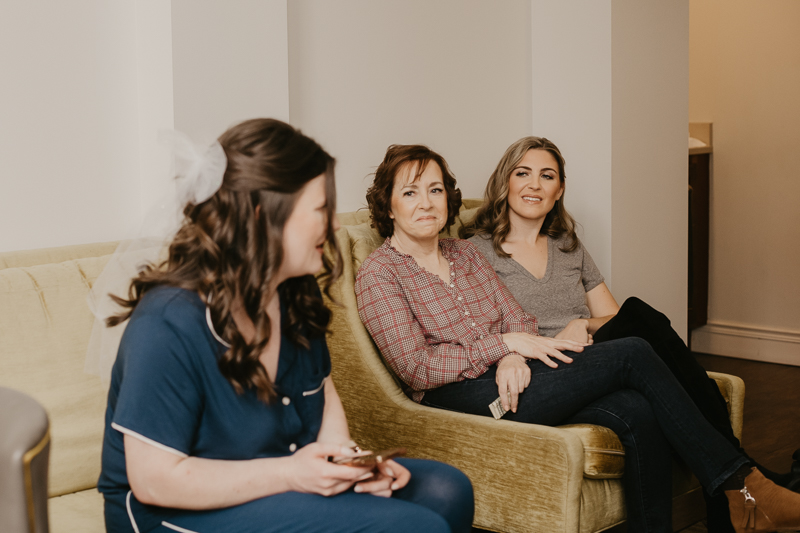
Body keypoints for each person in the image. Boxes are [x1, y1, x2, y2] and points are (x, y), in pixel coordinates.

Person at [354, 143, 800, 533]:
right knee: (632, 352)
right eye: (410, 192)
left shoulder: (465, 254)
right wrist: (504, 347)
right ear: (389, 206)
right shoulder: (380, 274)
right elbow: (416, 366)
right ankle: (743, 487)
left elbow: (518, 318)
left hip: (514, 377)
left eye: (434, 190)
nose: (426, 203)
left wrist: (512, 352)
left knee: (635, 408)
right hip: (457, 397)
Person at [93, 119, 474, 533]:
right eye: (320, 210)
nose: (333, 226)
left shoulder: (295, 293)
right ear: (262, 215)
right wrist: (292, 474)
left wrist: (350, 464)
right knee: (415, 527)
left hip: (277, 479)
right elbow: (154, 480)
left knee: (446, 489)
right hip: (175, 509)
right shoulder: (169, 320)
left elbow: (322, 394)